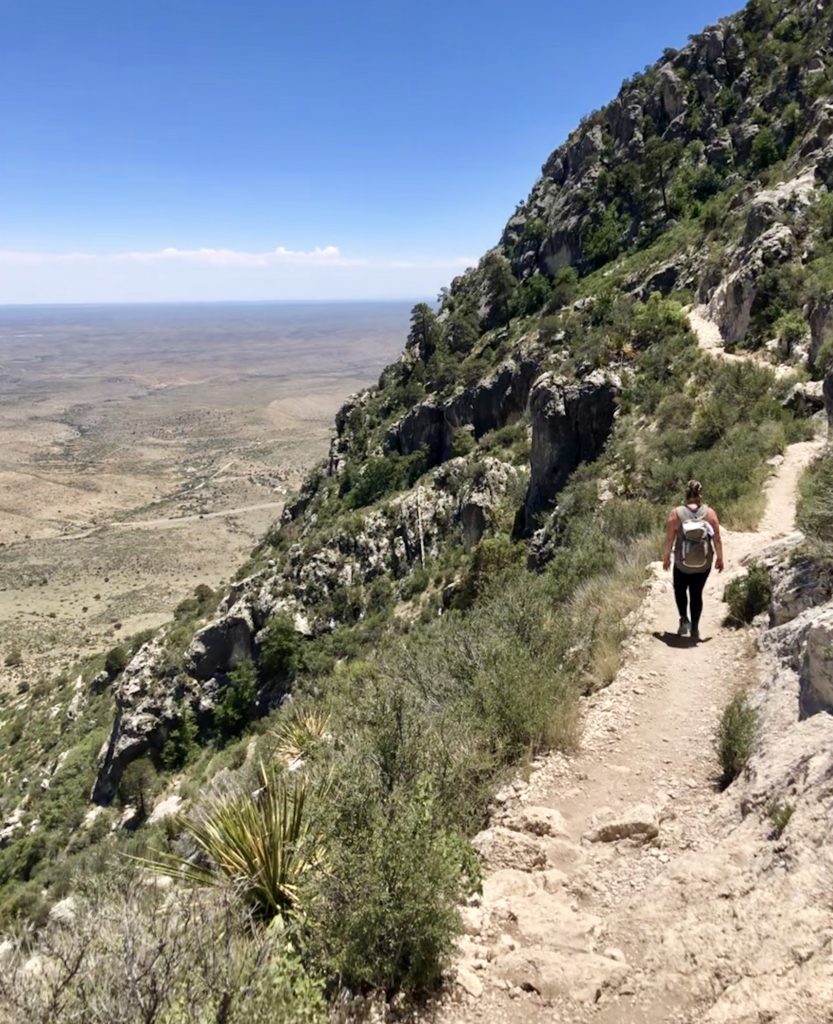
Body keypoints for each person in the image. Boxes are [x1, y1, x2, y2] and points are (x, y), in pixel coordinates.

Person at [662, 480, 724, 642]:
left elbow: (669, 539)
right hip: (704, 563)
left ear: (686, 495)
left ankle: (684, 619)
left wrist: (666, 557)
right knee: (696, 593)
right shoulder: (710, 513)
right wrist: (720, 558)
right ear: (700, 495)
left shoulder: (676, 513)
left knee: (680, 590)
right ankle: (695, 628)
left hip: (682, 563)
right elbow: (717, 538)